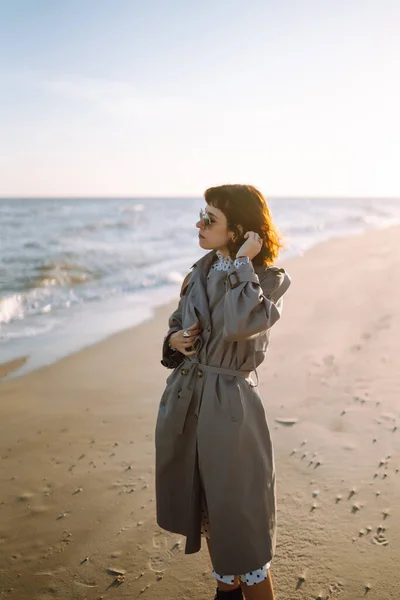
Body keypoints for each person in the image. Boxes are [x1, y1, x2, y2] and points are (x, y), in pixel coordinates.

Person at [155, 184, 291, 600]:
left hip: (229, 405)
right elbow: (179, 320)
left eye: (210, 218)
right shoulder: (200, 268)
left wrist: (242, 266)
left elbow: (240, 324)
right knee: (209, 508)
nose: (199, 223)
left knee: (239, 517)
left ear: (237, 232)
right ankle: (225, 586)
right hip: (187, 399)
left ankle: (244, 584)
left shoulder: (267, 278)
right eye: (202, 214)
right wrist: (174, 339)